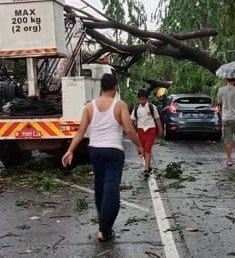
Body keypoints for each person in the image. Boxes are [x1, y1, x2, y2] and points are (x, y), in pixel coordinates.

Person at [62, 74, 143, 242]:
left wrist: (70, 150)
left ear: (101, 87)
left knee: (100, 187)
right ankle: (104, 229)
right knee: (111, 188)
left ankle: (104, 225)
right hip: (113, 151)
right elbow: (129, 129)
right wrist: (139, 146)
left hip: (95, 151)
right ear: (115, 87)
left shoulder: (90, 107)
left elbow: (81, 131)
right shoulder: (120, 105)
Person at [130, 88, 163, 177]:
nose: (142, 101)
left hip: (151, 130)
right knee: (142, 150)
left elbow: (157, 119)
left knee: (148, 149)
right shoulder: (136, 109)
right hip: (140, 131)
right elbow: (132, 121)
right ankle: (149, 166)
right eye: (140, 99)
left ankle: (147, 169)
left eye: (143, 99)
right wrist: (130, 130)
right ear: (138, 99)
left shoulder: (152, 107)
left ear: (147, 99)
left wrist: (160, 129)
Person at [218, 78, 235, 166]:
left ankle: (229, 160)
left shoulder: (221, 90)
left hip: (226, 118)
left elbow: (220, 102)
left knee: (228, 140)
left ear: (226, 79)